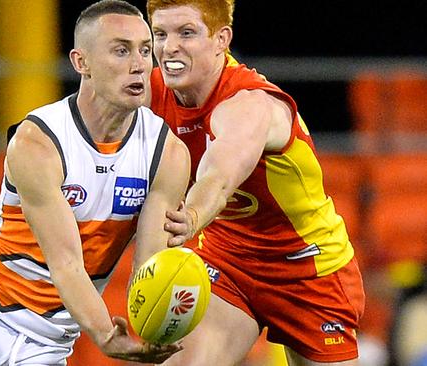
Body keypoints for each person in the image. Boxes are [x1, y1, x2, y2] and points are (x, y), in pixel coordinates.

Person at [0, 1, 190, 365]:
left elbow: (149, 270)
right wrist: (105, 337)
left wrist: (158, 325)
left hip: (49, 341)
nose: (138, 64)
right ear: (81, 62)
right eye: (121, 50)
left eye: (145, 51)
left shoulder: (168, 155)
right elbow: (66, 262)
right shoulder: (38, 143)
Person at [144, 1, 366, 365]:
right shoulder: (151, 92)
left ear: (221, 39)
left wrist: (193, 214)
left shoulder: (252, 104)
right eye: (161, 34)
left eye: (187, 33)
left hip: (308, 271)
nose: (170, 47)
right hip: (229, 261)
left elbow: (221, 172)